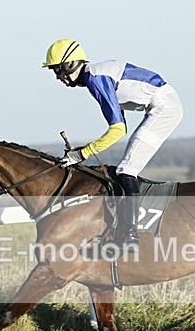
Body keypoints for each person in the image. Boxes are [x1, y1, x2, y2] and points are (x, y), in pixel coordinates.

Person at [42, 38, 183, 250]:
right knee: (124, 169)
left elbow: (117, 130)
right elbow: (120, 126)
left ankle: (130, 235)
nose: (57, 77)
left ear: (70, 64)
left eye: (58, 70)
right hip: (162, 105)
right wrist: (84, 151)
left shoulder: (95, 78)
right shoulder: (95, 76)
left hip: (165, 108)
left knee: (127, 170)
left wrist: (82, 154)